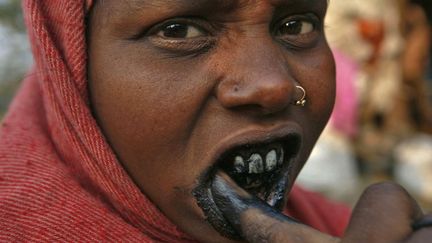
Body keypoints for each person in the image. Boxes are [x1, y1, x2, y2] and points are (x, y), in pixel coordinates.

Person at [0, 1, 430, 242]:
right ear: (72, 66)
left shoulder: (340, 229)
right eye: (180, 31)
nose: (273, 86)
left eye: (296, 24)